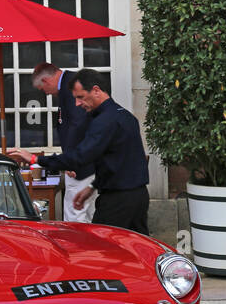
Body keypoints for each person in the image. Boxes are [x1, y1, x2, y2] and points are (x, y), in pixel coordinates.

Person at [8, 68, 150, 234]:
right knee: (138, 249)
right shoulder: (124, 115)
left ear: (96, 90)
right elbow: (116, 163)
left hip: (118, 201)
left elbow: (81, 156)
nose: (77, 104)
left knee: (102, 248)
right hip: (138, 196)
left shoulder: (104, 122)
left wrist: (35, 159)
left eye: (80, 97)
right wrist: (92, 187)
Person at [31, 61, 95, 222]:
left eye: (42, 89)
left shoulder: (71, 86)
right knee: (88, 211)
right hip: (89, 157)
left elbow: (78, 124)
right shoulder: (71, 82)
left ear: (46, 81)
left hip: (81, 161)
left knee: (75, 211)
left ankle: (77, 246)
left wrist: (71, 159)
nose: (45, 93)